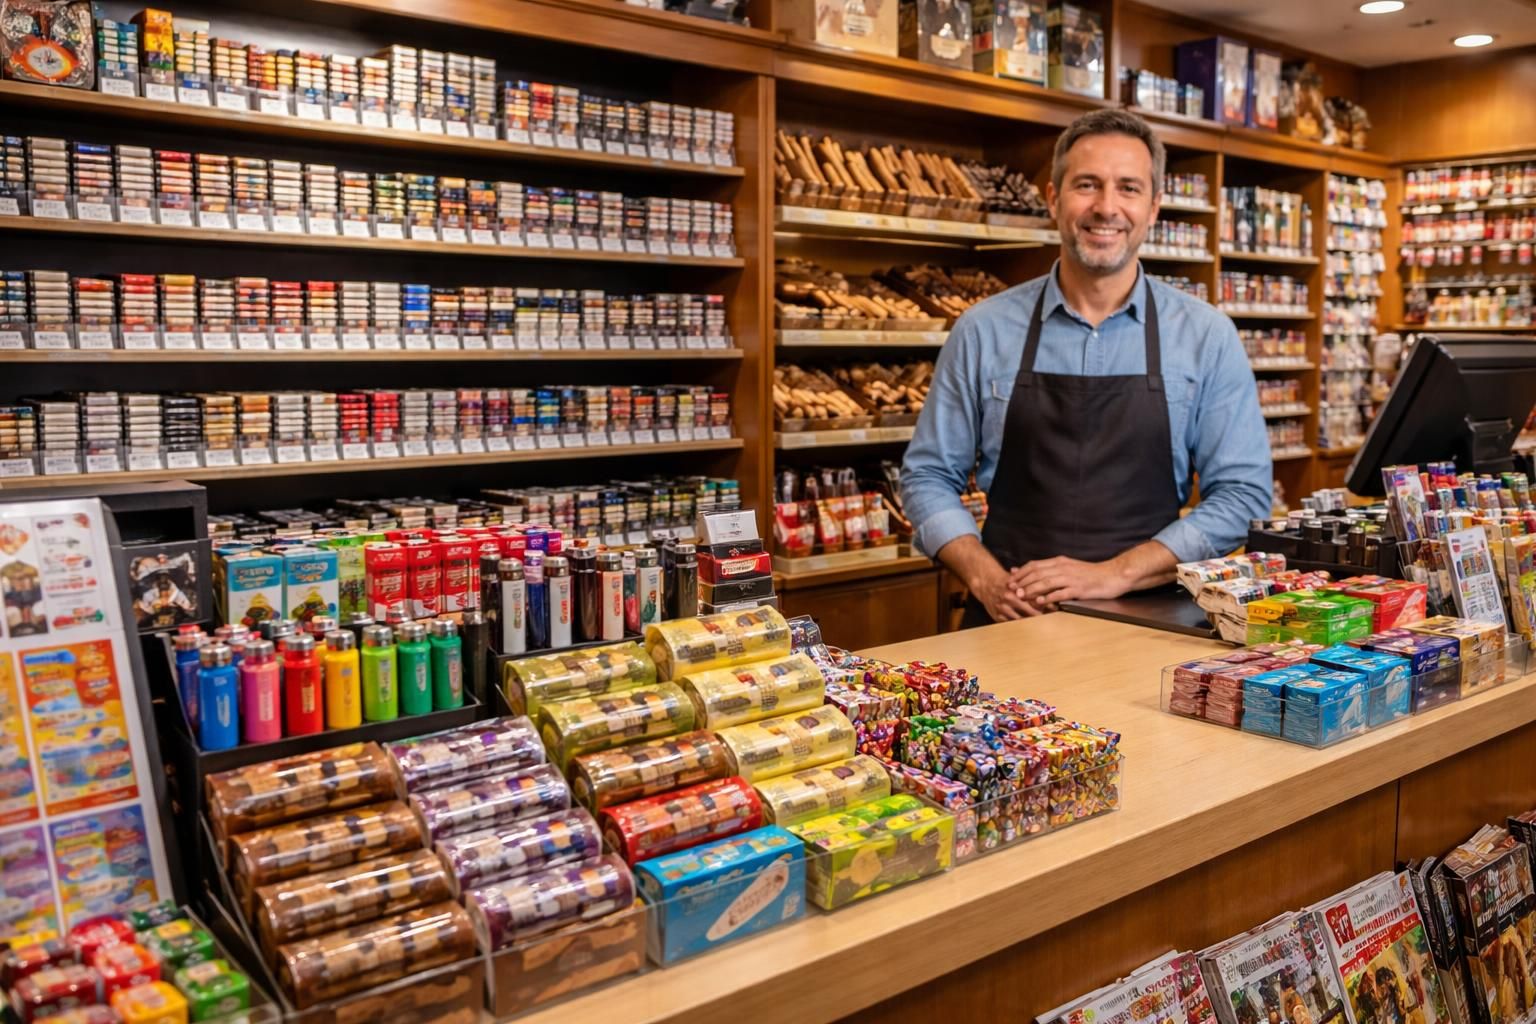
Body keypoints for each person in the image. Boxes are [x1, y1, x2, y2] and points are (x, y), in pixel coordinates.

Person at [899, 108, 1271, 625]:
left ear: (1154, 207)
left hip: (1151, 622)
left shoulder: (1205, 335)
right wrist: (984, 578)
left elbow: (1243, 495)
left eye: (1129, 188)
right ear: (1054, 199)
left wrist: (1115, 573)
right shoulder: (983, 329)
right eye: (1087, 185)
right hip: (1009, 616)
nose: (1106, 207)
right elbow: (927, 476)